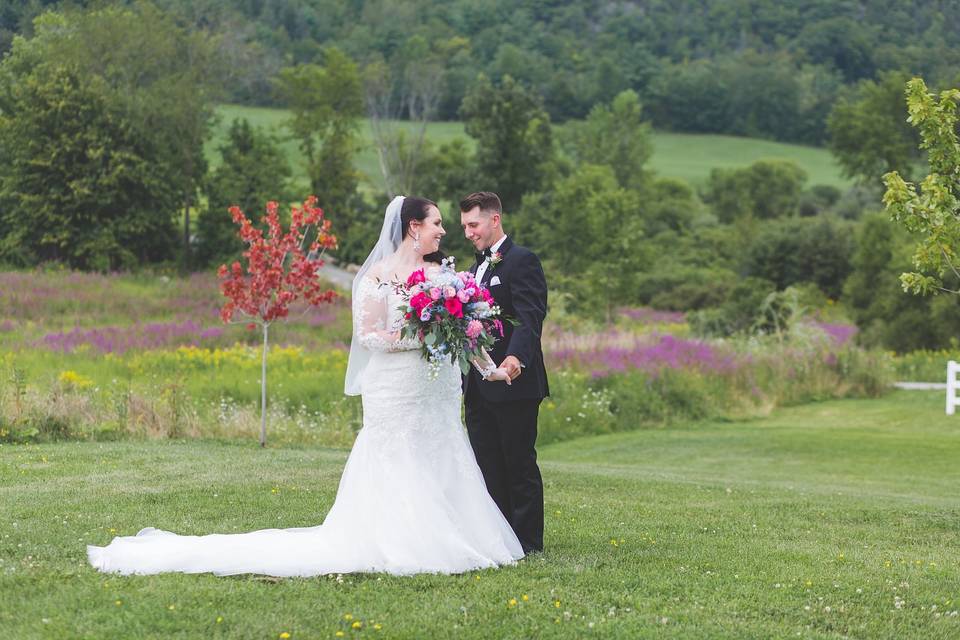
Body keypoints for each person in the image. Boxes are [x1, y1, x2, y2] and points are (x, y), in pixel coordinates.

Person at [87, 196, 523, 577]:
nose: (444, 231)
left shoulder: (442, 277)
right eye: (437, 223)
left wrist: (491, 371)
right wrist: (420, 335)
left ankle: (456, 536)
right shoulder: (374, 280)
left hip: (437, 390)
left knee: (444, 453)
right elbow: (370, 337)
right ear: (414, 227)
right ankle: (403, 541)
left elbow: (463, 329)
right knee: (399, 457)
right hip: (396, 389)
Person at [460, 191, 549, 554]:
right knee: (487, 465)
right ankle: (499, 538)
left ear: (494, 219)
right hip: (478, 385)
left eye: (473, 224)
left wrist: (515, 359)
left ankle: (528, 542)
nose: (468, 232)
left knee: (518, 462)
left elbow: (530, 317)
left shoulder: (522, 261)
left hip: (515, 382)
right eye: (464, 225)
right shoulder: (471, 269)